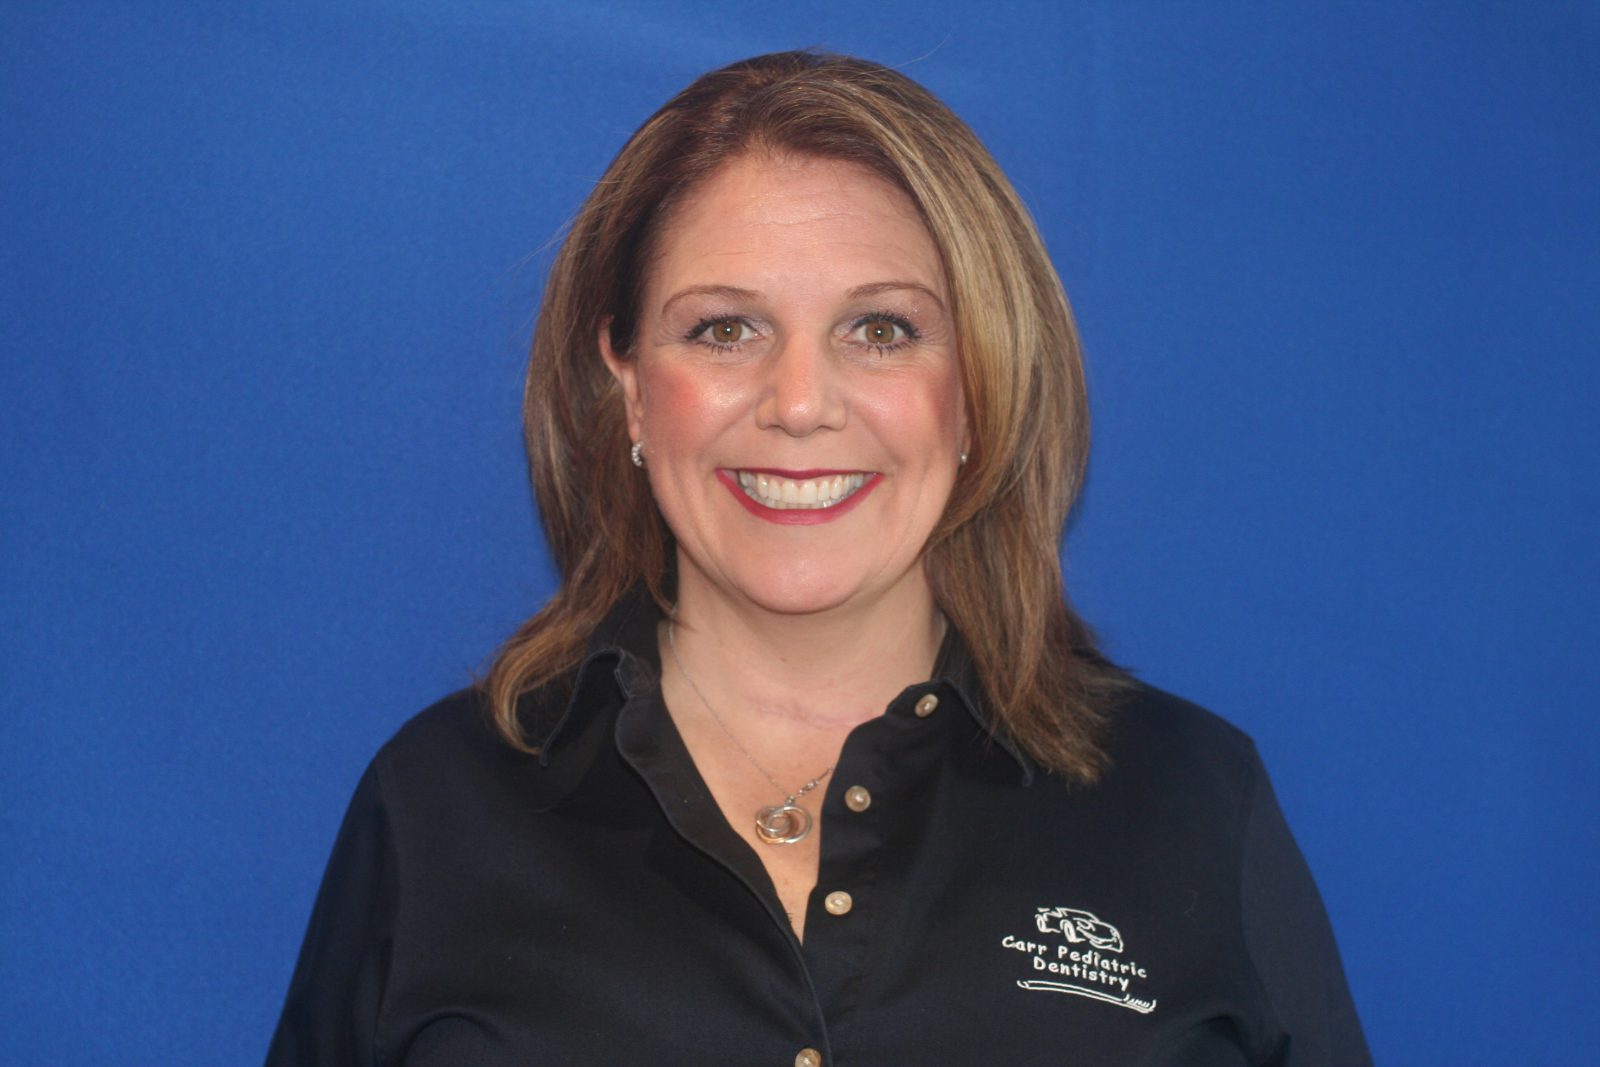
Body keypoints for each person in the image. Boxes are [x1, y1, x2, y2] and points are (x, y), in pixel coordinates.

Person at [267, 51, 1369, 1065]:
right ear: (627, 384)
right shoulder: (440, 805)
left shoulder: (1186, 799)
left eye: (880, 328)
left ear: (978, 389)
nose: (799, 404)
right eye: (724, 328)